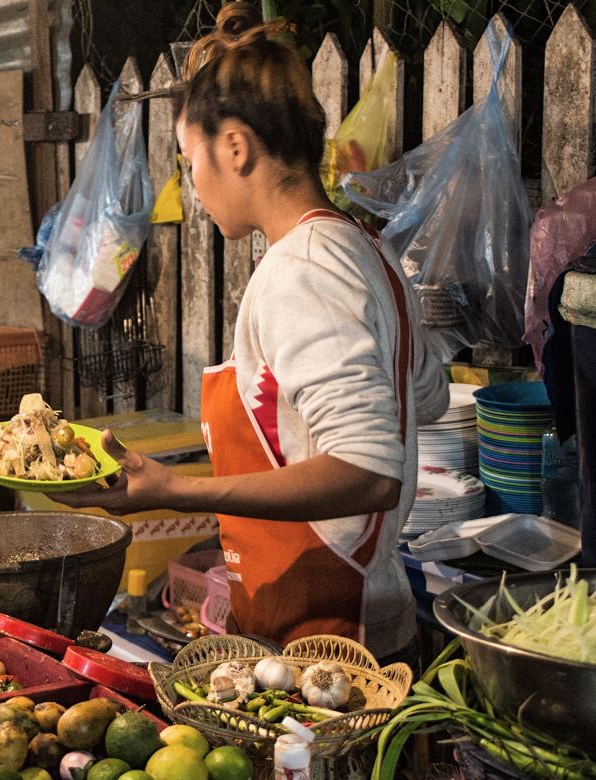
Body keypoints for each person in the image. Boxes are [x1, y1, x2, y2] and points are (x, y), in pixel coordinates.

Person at [57, 3, 448, 664]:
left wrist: (177, 491)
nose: (194, 187)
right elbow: (425, 398)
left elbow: (370, 469)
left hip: (329, 656)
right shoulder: (364, 251)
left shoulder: (302, 271)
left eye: (190, 161)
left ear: (235, 146)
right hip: (350, 625)